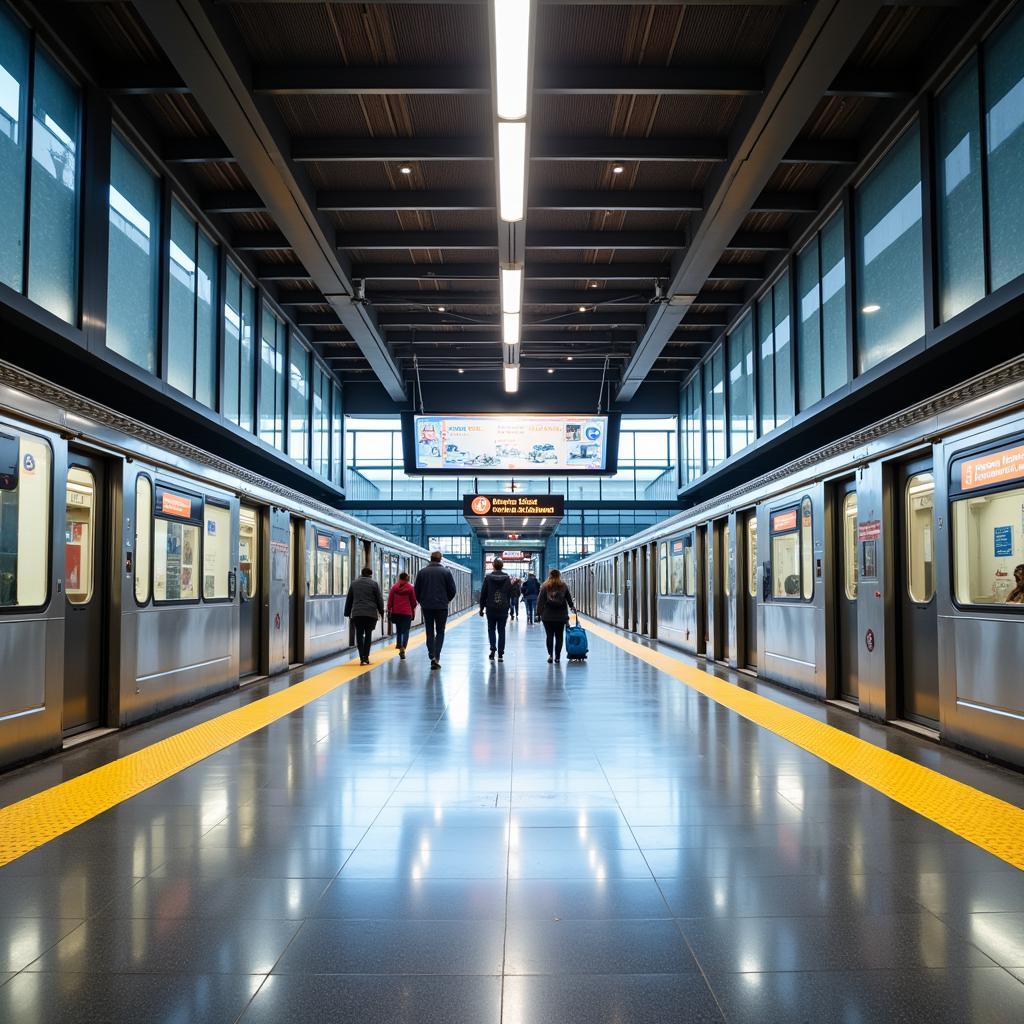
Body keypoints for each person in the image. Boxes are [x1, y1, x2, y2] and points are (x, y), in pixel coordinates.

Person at [415, 551, 457, 670]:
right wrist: (446, 600)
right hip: (441, 607)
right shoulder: (446, 572)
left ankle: (431, 652)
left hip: (427, 606)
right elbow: (452, 590)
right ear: (440, 559)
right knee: (440, 631)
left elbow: (416, 590)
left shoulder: (422, 572)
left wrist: (422, 601)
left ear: (430, 558)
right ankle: (436, 657)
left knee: (429, 630)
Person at [344, 566, 384, 666]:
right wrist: (381, 611)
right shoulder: (374, 584)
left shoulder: (354, 584)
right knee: (368, 634)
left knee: (359, 634)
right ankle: (366, 656)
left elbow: (349, 599)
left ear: (361, 574)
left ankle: (361, 656)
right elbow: (379, 599)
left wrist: (347, 613)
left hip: (357, 613)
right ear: (370, 575)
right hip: (370, 613)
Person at [536, 568, 576, 663]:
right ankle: (557, 657)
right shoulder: (563, 586)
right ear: (559, 575)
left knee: (549, 636)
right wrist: (572, 607)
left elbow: (540, 601)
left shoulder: (545, 586)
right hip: (561, 616)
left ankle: (550, 655)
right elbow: (569, 599)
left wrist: (538, 613)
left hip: (547, 616)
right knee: (559, 636)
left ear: (550, 575)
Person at [479, 557, 512, 661]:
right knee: (501, 630)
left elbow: (483, 594)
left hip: (491, 607)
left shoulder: (488, 578)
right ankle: (501, 654)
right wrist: (508, 606)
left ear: (493, 565)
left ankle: (493, 649)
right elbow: (509, 593)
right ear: (502, 566)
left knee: (491, 629)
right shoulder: (507, 578)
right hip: (503, 608)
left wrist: (481, 608)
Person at [387, 571, 417, 659]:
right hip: (407, 613)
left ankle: (399, 644)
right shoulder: (410, 588)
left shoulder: (394, 587)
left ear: (399, 578)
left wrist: (389, 609)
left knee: (399, 629)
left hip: (396, 612)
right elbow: (413, 602)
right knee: (406, 630)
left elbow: (390, 600)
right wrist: (413, 606)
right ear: (407, 579)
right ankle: (403, 647)